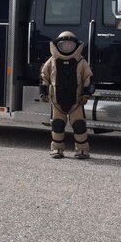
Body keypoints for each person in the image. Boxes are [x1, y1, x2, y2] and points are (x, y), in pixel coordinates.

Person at [39, 31, 94, 159]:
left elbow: (89, 78)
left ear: (75, 46)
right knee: (57, 124)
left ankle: (82, 150)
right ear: (58, 45)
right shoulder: (52, 61)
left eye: (70, 45)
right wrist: (43, 92)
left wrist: (86, 94)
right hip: (57, 102)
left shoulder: (81, 61)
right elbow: (43, 77)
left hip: (76, 102)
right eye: (64, 45)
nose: (67, 47)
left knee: (79, 125)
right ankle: (57, 149)